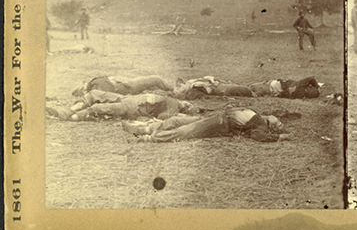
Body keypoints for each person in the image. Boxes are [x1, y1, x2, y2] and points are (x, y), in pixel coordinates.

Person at [121, 106, 291, 143]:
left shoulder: (260, 124)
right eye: (280, 122)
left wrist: (279, 137)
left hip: (218, 124)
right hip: (216, 116)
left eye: (279, 124)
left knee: (183, 131)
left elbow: (257, 135)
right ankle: (144, 128)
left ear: (272, 127)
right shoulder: (260, 115)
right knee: (177, 120)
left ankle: (145, 138)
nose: (279, 121)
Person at [48, 91, 195, 121]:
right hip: (129, 99)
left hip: (132, 108)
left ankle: (69, 116)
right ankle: (69, 110)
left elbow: (163, 117)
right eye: (188, 103)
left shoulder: (174, 108)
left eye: (188, 105)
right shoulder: (170, 99)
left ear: (185, 108)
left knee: (98, 108)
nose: (187, 103)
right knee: (95, 94)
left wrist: (177, 113)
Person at [72, 75, 174, 97]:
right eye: (83, 88)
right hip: (129, 88)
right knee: (155, 79)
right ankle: (176, 91)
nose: (84, 86)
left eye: (83, 85)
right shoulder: (95, 91)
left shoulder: (94, 82)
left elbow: (109, 78)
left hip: (127, 84)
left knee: (154, 82)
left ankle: (174, 90)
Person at [172, 76, 254, 99]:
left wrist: (211, 80)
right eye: (179, 88)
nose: (180, 86)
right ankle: (257, 92)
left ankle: (259, 88)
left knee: (245, 87)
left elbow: (207, 77)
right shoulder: (192, 90)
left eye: (179, 86)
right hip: (220, 89)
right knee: (244, 89)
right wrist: (205, 86)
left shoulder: (191, 82)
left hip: (219, 84)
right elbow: (208, 94)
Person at [248, 77, 321, 99]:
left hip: (268, 86)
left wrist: (317, 87)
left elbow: (312, 78)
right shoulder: (299, 95)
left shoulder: (301, 84)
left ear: (308, 88)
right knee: (249, 89)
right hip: (271, 88)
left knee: (249, 88)